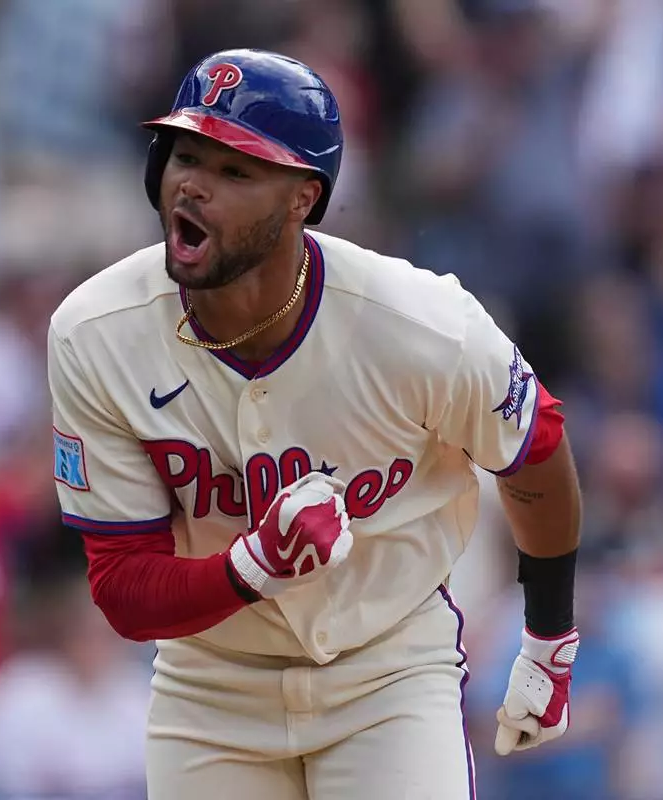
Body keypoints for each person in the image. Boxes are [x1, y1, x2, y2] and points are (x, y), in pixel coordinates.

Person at [47, 48, 583, 800]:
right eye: (185, 156)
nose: (193, 184)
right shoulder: (95, 332)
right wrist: (250, 567)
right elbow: (124, 587)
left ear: (303, 198)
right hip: (211, 686)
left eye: (235, 170)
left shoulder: (418, 323)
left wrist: (550, 637)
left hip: (388, 669)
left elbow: (536, 447)